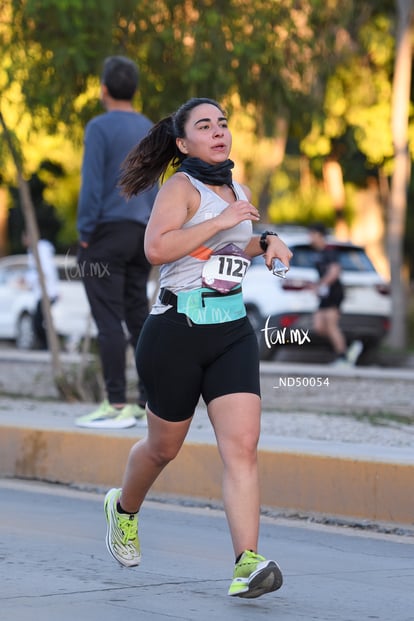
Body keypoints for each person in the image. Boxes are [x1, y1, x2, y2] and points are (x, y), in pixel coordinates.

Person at [103, 97, 292, 598]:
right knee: (163, 448)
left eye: (223, 123)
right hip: (176, 332)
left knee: (242, 448)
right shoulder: (180, 189)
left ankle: (246, 563)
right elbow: (157, 249)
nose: (219, 131)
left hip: (230, 332)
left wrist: (267, 241)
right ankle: (123, 509)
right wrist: (221, 218)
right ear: (184, 143)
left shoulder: (237, 188)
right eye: (205, 126)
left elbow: (232, 246)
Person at [75, 56, 158, 430]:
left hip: (105, 234)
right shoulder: (148, 128)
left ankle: (114, 402)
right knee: (138, 318)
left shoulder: (99, 127)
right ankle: (145, 403)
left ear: (103, 89)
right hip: (142, 233)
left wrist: (84, 233)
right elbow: (154, 186)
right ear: (135, 90)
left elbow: (92, 185)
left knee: (108, 320)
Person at [308, 223, 353, 365]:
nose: (310, 238)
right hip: (324, 295)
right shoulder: (318, 253)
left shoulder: (330, 251)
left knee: (332, 325)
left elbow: (334, 271)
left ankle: (343, 356)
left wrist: (321, 285)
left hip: (334, 293)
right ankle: (344, 346)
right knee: (319, 326)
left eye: (312, 235)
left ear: (320, 235)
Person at [22, 232, 59, 350]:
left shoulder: (40, 251)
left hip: (47, 292)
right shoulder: (34, 251)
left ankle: (48, 345)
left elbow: (44, 271)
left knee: (39, 320)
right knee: (41, 320)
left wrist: (30, 279)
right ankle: (47, 345)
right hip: (42, 293)